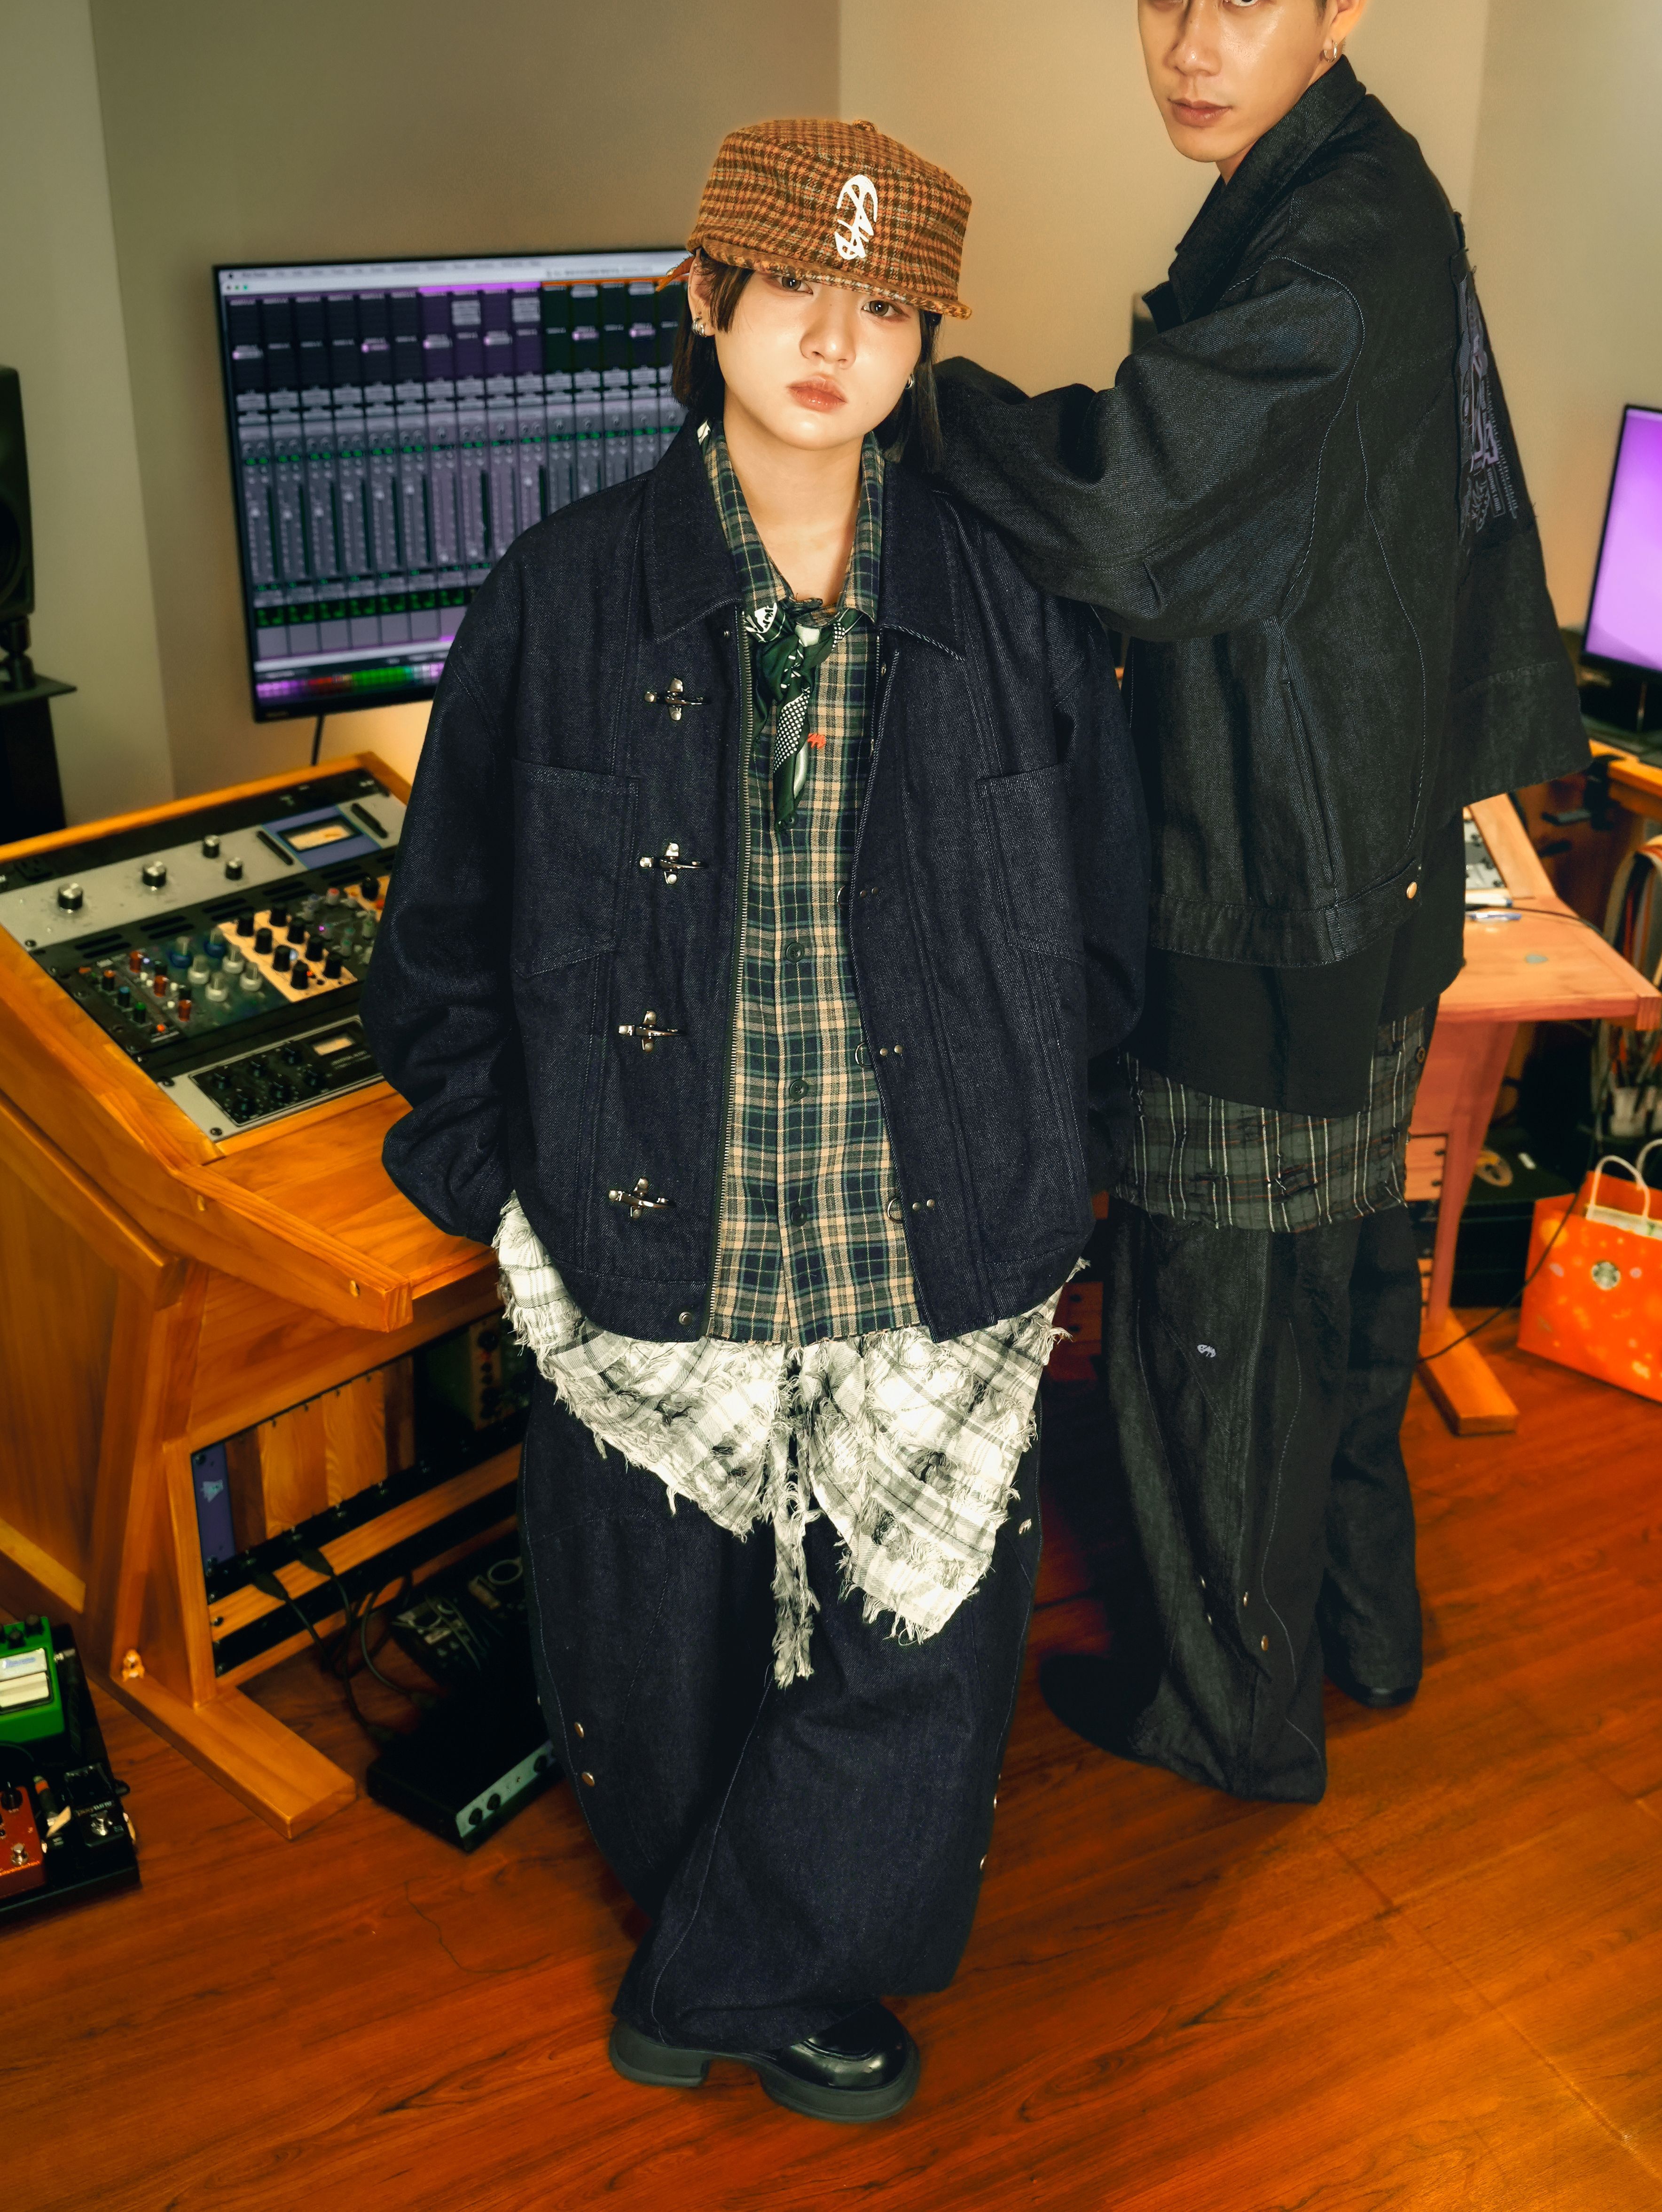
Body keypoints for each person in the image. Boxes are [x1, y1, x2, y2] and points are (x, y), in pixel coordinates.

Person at [362, 118, 1146, 2122]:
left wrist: (1053, 1165)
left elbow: (1106, 936)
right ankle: (758, 1948)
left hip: (931, 1233)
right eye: (792, 287)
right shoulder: (557, 597)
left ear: (924, 342)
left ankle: (721, 1978)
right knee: (660, 1666)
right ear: (704, 298)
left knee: (917, 1667)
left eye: (883, 307)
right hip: (650, 1232)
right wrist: (505, 1193)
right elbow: (439, 953)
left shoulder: (1010, 602)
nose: (831, 342)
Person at [929, 0, 1587, 1805]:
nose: (1191, 45)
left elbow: (1136, 510)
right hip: (1366, 854)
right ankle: (1362, 1630)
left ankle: (1228, 1721)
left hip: (1273, 870)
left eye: (1242, 0)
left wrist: (919, 401)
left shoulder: (1332, 246)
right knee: (1338, 1279)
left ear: (1341, 0)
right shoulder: (1360, 193)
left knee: (1215, 1301)